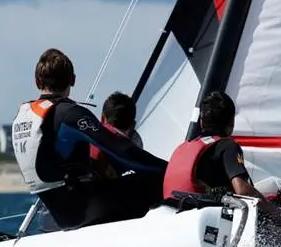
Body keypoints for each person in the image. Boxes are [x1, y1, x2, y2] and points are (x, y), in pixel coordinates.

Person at [12, 48, 168, 230]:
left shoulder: (23, 116)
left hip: (57, 214)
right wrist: (168, 168)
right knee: (153, 182)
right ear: (73, 80)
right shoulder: (70, 114)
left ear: (37, 82)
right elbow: (121, 150)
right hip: (86, 209)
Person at [162, 91, 281, 233]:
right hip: (205, 225)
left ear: (202, 121)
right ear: (231, 123)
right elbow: (243, 190)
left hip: (173, 220)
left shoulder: (181, 148)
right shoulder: (227, 146)